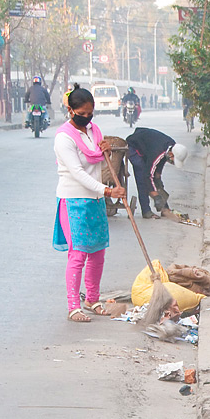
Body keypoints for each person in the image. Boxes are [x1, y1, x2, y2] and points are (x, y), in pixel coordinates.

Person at [53, 84, 127, 322]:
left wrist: (105, 148)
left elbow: (98, 160)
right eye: (81, 114)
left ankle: (92, 299)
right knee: (78, 254)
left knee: (97, 252)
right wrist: (108, 190)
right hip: (74, 200)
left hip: (94, 200)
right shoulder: (64, 138)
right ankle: (73, 306)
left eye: (89, 113)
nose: (86, 118)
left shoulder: (94, 131)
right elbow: (77, 173)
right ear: (71, 110)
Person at [125, 127, 188, 219]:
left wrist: (158, 178)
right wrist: (155, 196)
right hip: (134, 148)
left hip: (147, 148)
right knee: (143, 175)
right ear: (171, 154)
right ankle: (146, 211)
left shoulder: (171, 147)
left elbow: (160, 163)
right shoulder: (158, 152)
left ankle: (165, 208)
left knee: (156, 180)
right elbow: (148, 175)